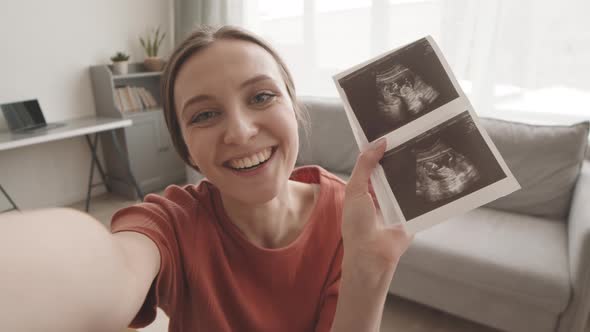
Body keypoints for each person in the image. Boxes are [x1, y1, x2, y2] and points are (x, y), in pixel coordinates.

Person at [0, 25, 413, 332]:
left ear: (294, 106)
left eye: (261, 96)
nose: (240, 131)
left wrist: (369, 269)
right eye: (204, 115)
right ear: (186, 149)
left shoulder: (349, 213)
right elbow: (109, 267)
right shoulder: (172, 223)